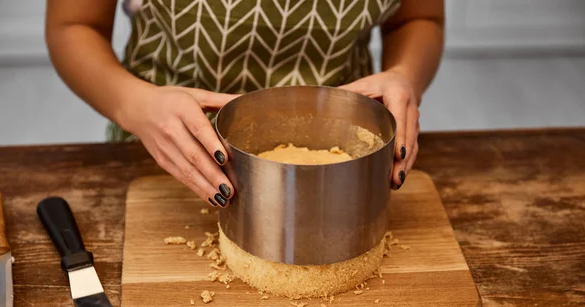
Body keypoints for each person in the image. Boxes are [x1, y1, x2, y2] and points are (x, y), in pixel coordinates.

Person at [46, 0, 444, 207]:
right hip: (168, 156)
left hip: (346, 168)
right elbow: (72, 25)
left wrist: (404, 74)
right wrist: (131, 102)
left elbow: (418, 17)